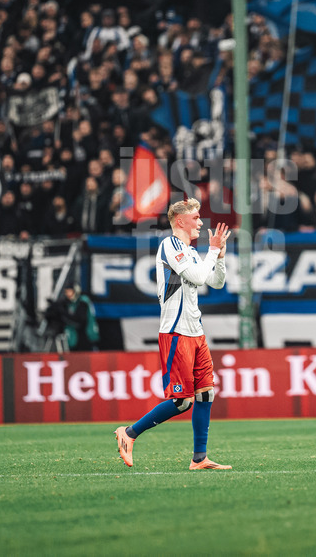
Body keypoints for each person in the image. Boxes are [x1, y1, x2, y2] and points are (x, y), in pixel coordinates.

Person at [114, 199, 232, 470]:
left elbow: (215, 280)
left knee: (205, 395)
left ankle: (199, 458)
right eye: (196, 218)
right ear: (180, 221)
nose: (201, 223)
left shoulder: (189, 252)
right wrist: (213, 251)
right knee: (181, 401)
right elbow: (200, 277)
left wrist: (220, 257)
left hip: (196, 331)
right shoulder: (170, 246)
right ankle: (129, 433)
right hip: (176, 331)